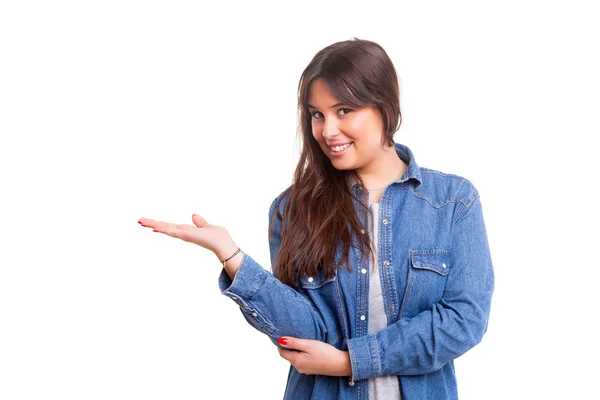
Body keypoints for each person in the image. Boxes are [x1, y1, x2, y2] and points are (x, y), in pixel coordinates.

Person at [138, 37, 494, 400]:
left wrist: (349, 362)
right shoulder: (293, 208)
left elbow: (463, 321)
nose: (327, 131)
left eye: (343, 111)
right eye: (316, 115)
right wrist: (232, 257)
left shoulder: (451, 202)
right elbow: (304, 333)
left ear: (385, 106)